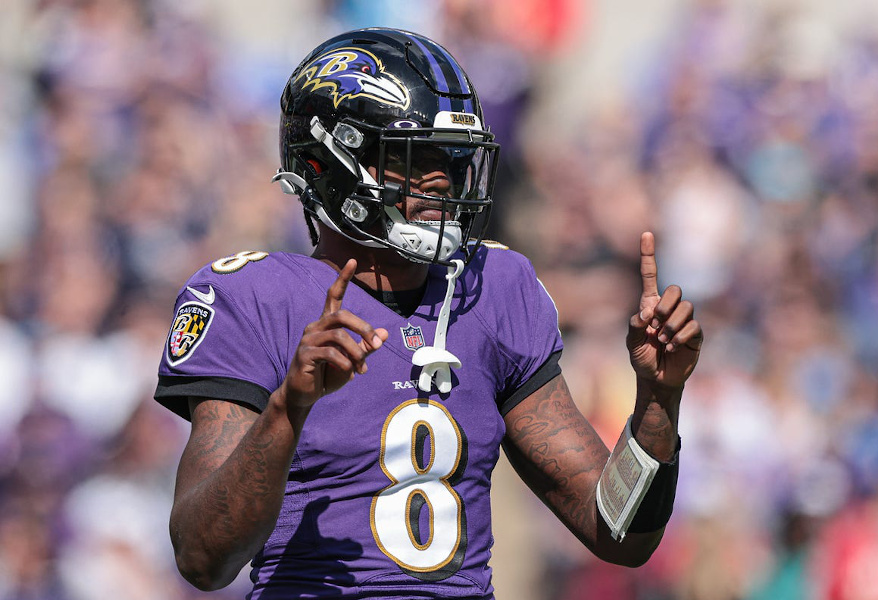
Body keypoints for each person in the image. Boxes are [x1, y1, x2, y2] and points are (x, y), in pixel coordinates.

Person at [154, 27, 702, 599]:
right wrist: (287, 410)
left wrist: (659, 400)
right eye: (413, 158)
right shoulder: (255, 298)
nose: (443, 179)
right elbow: (202, 557)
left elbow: (618, 533)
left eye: (452, 158)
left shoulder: (492, 287)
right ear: (332, 163)